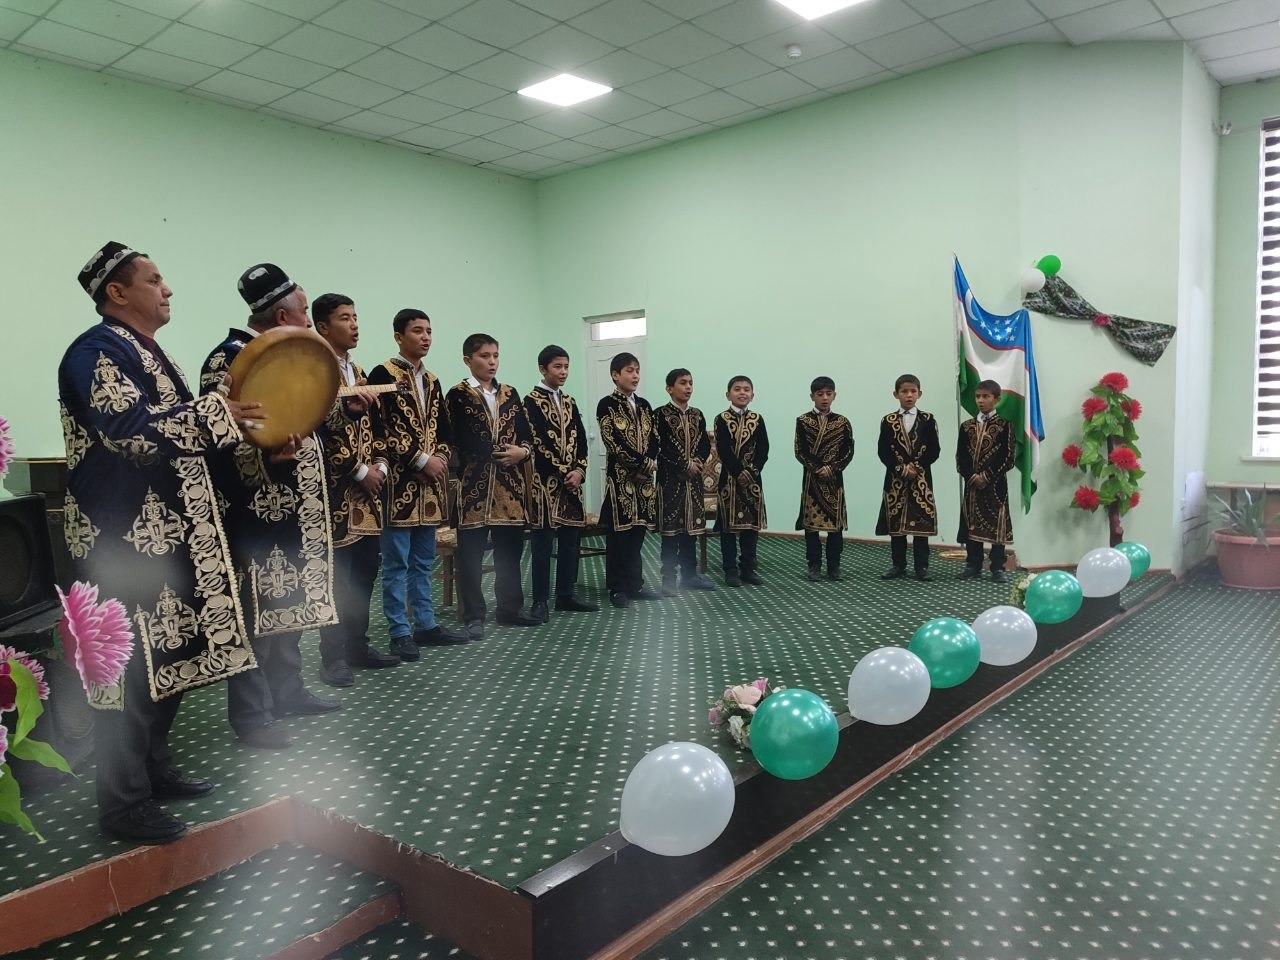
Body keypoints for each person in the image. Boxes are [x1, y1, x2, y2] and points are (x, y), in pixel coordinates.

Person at [60, 241, 260, 843]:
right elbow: (129, 432)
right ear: (117, 292)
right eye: (154, 279)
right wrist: (219, 414)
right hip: (118, 538)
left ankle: (152, 767)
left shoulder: (147, 351)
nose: (167, 288)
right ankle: (122, 805)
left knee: (166, 653)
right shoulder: (94, 352)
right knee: (126, 667)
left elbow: (184, 431)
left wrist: (243, 431)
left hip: (164, 535)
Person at [199, 264, 342, 751]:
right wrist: (265, 457)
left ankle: (288, 691)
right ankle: (253, 716)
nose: (309, 321)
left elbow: (302, 411)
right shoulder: (228, 360)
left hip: (296, 509)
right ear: (282, 315)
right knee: (254, 613)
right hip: (255, 512)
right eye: (304, 311)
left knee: (288, 605)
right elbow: (217, 438)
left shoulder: (293, 353)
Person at [312, 294, 404, 688]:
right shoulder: (315, 371)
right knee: (337, 579)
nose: (354, 324)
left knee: (365, 572)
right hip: (334, 493)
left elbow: (378, 429)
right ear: (322, 327)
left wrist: (380, 464)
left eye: (355, 317)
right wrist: (358, 470)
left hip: (368, 496)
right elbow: (318, 431)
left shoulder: (362, 372)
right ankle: (332, 657)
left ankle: (357, 646)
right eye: (344, 318)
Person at [366, 308, 468, 656]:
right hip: (398, 486)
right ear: (399, 337)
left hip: (431, 488)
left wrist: (439, 458)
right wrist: (421, 460)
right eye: (417, 331)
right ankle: (399, 632)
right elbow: (380, 429)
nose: (425, 337)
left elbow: (445, 431)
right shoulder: (382, 374)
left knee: (424, 562)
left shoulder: (432, 380)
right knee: (396, 564)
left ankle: (426, 625)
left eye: (428, 331)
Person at [445, 333, 540, 638]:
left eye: (495, 355)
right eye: (484, 356)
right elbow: (461, 438)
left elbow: (526, 434)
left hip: (509, 488)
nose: (492, 362)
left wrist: (522, 452)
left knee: (509, 553)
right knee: (471, 557)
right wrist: (501, 453)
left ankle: (510, 609)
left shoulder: (510, 393)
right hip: (474, 487)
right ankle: (474, 615)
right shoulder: (458, 395)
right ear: (468, 360)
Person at [523, 345, 598, 622]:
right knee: (542, 545)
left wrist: (579, 471)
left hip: (572, 485)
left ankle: (566, 594)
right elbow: (537, 441)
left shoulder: (570, 401)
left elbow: (581, 440)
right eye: (557, 366)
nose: (563, 372)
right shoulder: (530, 401)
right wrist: (565, 471)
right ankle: (540, 600)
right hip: (545, 484)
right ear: (543, 369)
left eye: (566, 366)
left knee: (570, 542)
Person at [596, 352, 660, 608]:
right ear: (615, 375)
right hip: (621, 480)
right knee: (619, 536)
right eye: (629, 371)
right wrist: (641, 464)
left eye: (637, 370)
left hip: (644, 482)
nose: (635, 376)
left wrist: (650, 462)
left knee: (637, 534)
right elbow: (613, 442)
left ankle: (635, 585)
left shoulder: (644, 405)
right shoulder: (606, 405)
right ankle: (617, 587)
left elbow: (654, 438)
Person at [655, 368, 716, 595]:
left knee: (691, 530)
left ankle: (690, 576)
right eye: (683, 383)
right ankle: (669, 578)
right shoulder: (660, 415)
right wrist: (683, 465)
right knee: (671, 532)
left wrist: (696, 462)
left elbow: (704, 445)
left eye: (690, 383)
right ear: (669, 388)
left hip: (694, 483)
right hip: (671, 481)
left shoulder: (697, 415)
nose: (688, 387)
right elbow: (661, 447)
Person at [876, 373, 941, 581]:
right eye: (904, 391)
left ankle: (922, 567)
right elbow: (883, 450)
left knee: (920, 524)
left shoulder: (928, 420)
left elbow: (934, 450)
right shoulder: (888, 421)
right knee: (897, 524)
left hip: (921, 480)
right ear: (896, 394)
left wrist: (916, 467)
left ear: (920, 394)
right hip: (896, 480)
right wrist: (900, 468)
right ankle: (898, 564)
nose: (909, 395)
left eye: (913, 391)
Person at [794, 376, 854, 581]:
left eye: (829, 394)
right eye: (820, 394)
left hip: (834, 482)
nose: (825, 398)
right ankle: (814, 566)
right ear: (812, 396)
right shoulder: (803, 421)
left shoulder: (842, 422)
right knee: (811, 528)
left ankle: (834, 566)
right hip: (812, 481)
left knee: (835, 527)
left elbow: (848, 451)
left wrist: (832, 468)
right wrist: (818, 468)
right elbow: (800, 451)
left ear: (834, 395)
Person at [957, 379, 1015, 583]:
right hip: (972, 485)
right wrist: (972, 476)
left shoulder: (1004, 425)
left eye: (986, 396)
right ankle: (973, 564)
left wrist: (987, 476)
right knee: (972, 523)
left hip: (996, 485)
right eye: (978, 397)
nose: (981, 401)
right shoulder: (967, 426)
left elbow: (1007, 457)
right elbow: (961, 456)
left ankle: (997, 566)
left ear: (996, 399)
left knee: (997, 524)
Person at [714, 375, 769, 587]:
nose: (742, 392)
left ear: (752, 395)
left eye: (746, 389)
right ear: (728, 395)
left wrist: (751, 471)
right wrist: (739, 472)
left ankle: (748, 568)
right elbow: (723, 449)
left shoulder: (758, 419)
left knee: (750, 527)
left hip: (753, 481)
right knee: (728, 528)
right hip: (729, 480)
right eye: (737, 389)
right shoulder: (721, 419)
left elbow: (763, 449)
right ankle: (730, 570)